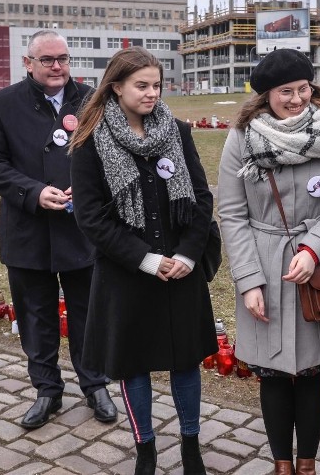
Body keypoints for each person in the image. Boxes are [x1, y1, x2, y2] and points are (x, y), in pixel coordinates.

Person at [69, 47, 218, 475]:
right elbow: (91, 218)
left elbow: (201, 198)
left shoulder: (177, 130)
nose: (152, 93)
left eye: (156, 85)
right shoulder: (90, 140)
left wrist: (188, 254)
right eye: (142, 85)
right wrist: (147, 260)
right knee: (133, 366)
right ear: (116, 87)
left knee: (185, 361)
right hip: (127, 275)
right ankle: (145, 450)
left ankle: (191, 447)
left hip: (181, 272)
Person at [217, 48, 320, 475]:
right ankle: (282, 463)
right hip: (265, 266)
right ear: (266, 95)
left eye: (304, 89)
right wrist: (248, 280)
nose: (298, 99)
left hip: (319, 272)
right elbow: (232, 213)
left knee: (314, 371)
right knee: (275, 372)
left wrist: (314, 247)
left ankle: (307, 463)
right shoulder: (243, 137)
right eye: (286, 92)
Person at [0, 29, 116, 430]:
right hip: (27, 230)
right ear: (28, 63)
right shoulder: (2, 104)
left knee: (88, 313)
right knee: (36, 315)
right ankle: (47, 390)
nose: (57, 66)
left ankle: (95, 384)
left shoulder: (92, 100)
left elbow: (114, 154)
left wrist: (88, 191)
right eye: (48, 59)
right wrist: (34, 193)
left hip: (82, 230)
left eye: (63, 59)